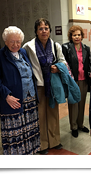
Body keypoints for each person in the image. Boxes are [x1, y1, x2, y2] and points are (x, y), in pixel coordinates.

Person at [0, 26, 40, 155]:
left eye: (18, 41)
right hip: (13, 99)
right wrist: (7, 95)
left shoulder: (23, 52)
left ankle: (30, 150)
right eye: (12, 41)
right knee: (15, 129)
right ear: (5, 41)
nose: (15, 44)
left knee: (29, 126)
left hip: (30, 97)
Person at [23, 18, 66, 155]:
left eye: (46, 28)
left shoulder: (55, 46)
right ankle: (42, 144)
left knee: (53, 113)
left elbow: (63, 62)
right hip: (38, 86)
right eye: (40, 28)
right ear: (36, 31)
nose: (44, 31)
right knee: (40, 115)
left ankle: (54, 140)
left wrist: (57, 68)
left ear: (50, 30)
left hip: (52, 84)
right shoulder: (28, 47)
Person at [62, 25, 91, 138]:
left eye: (79, 35)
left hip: (84, 80)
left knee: (82, 103)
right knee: (73, 104)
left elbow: (89, 63)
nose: (77, 37)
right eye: (74, 35)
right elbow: (64, 64)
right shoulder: (66, 47)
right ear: (70, 36)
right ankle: (74, 126)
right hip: (72, 80)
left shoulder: (86, 48)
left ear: (82, 36)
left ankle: (80, 124)